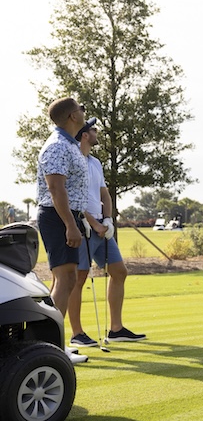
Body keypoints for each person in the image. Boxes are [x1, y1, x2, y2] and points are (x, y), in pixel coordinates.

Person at [68, 121, 146, 347]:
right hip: (83, 225)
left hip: (102, 227)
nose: (96, 132)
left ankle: (116, 329)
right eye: (92, 130)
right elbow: (71, 198)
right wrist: (92, 222)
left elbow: (105, 194)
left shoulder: (95, 162)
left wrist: (108, 220)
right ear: (84, 135)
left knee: (119, 271)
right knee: (78, 278)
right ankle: (77, 333)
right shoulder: (73, 160)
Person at [36, 97, 90, 364]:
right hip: (58, 218)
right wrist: (70, 225)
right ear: (72, 116)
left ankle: (50, 346)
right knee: (66, 279)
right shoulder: (57, 146)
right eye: (81, 108)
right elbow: (56, 190)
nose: (83, 111)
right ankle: (50, 348)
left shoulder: (69, 144)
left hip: (67, 217)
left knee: (63, 280)